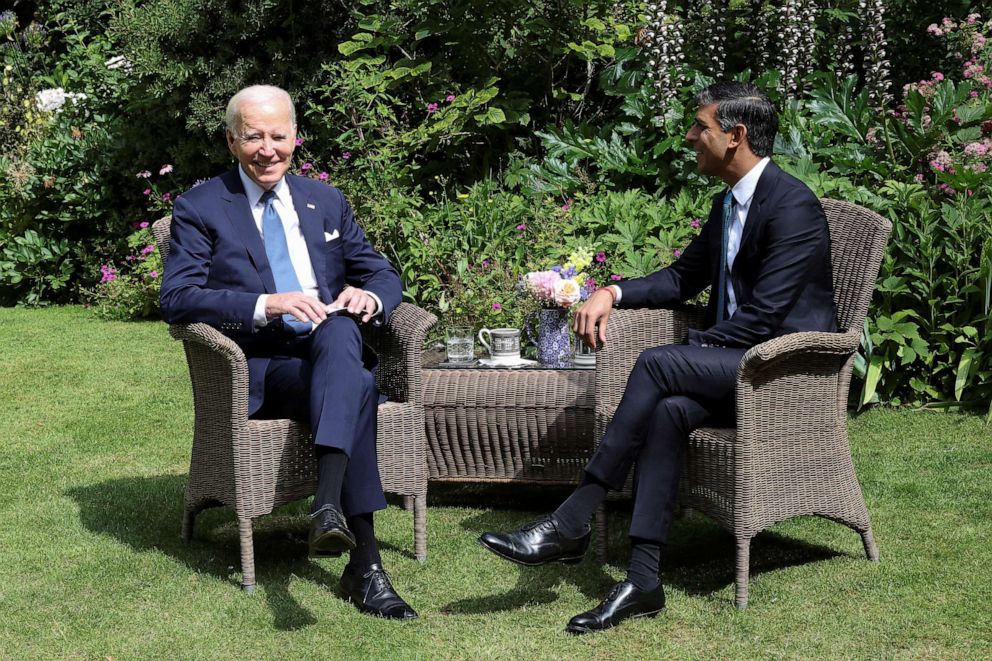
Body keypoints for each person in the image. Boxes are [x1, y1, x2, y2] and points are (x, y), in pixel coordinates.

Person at [479, 81, 838, 634]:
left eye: (702, 127)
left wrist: (688, 349)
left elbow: (766, 318)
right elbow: (681, 277)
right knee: (668, 409)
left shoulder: (793, 206)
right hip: (737, 364)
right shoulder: (729, 204)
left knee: (658, 363)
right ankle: (644, 578)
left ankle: (573, 519)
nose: (691, 136)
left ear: (735, 137)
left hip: (784, 371)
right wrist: (611, 292)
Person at [160, 85, 416, 620]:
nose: (268, 149)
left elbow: (382, 272)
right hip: (264, 367)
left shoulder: (325, 200)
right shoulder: (201, 206)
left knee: (342, 332)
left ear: (295, 138)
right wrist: (267, 304)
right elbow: (178, 299)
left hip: (329, 351)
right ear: (232, 141)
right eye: (254, 137)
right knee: (361, 387)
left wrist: (368, 295)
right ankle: (365, 564)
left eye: (279, 136)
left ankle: (328, 508)